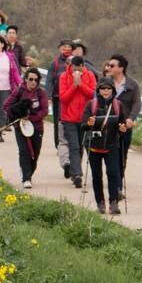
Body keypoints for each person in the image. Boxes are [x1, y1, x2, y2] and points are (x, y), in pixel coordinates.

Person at [84, 78, 127, 213]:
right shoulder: (91, 105)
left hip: (112, 146)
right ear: (99, 90)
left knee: (113, 173)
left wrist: (123, 129)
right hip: (94, 146)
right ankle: (100, 203)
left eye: (108, 88)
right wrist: (89, 123)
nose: (106, 91)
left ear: (113, 90)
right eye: (103, 88)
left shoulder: (118, 105)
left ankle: (113, 204)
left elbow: (123, 124)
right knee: (97, 176)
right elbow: (83, 125)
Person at [58, 48, 97, 188]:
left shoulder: (90, 75)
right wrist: (74, 85)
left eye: (80, 68)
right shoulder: (64, 76)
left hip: (84, 118)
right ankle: (77, 175)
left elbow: (93, 94)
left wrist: (81, 85)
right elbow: (63, 98)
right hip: (68, 118)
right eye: (75, 68)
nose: (77, 71)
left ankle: (75, 172)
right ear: (71, 66)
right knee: (73, 146)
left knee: (81, 146)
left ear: (83, 66)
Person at [2, 67, 48, 188]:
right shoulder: (19, 91)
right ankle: (26, 178)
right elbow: (6, 106)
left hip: (37, 127)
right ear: (26, 79)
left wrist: (31, 118)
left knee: (35, 154)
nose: (33, 82)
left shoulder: (41, 93)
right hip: (20, 127)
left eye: (36, 80)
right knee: (24, 152)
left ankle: (28, 172)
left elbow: (44, 111)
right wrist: (17, 114)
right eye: (31, 79)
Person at [105, 54, 142, 172]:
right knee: (109, 153)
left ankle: (119, 180)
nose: (108, 68)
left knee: (122, 153)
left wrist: (131, 118)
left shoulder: (132, 85)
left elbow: (136, 103)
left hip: (125, 125)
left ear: (121, 68)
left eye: (112, 65)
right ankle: (113, 177)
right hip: (108, 125)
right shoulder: (105, 83)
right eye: (108, 65)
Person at [46, 40, 75, 148]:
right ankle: (59, 144)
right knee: (58, 121)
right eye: (64, 46)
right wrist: (48, 96)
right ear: (60, 49)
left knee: (71, 120)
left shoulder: (76, 62)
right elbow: (49, 80)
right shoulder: (55, 63)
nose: (66, 49)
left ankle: (71, 143)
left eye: (68, 47)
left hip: (72, 97)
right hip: (58, 97)